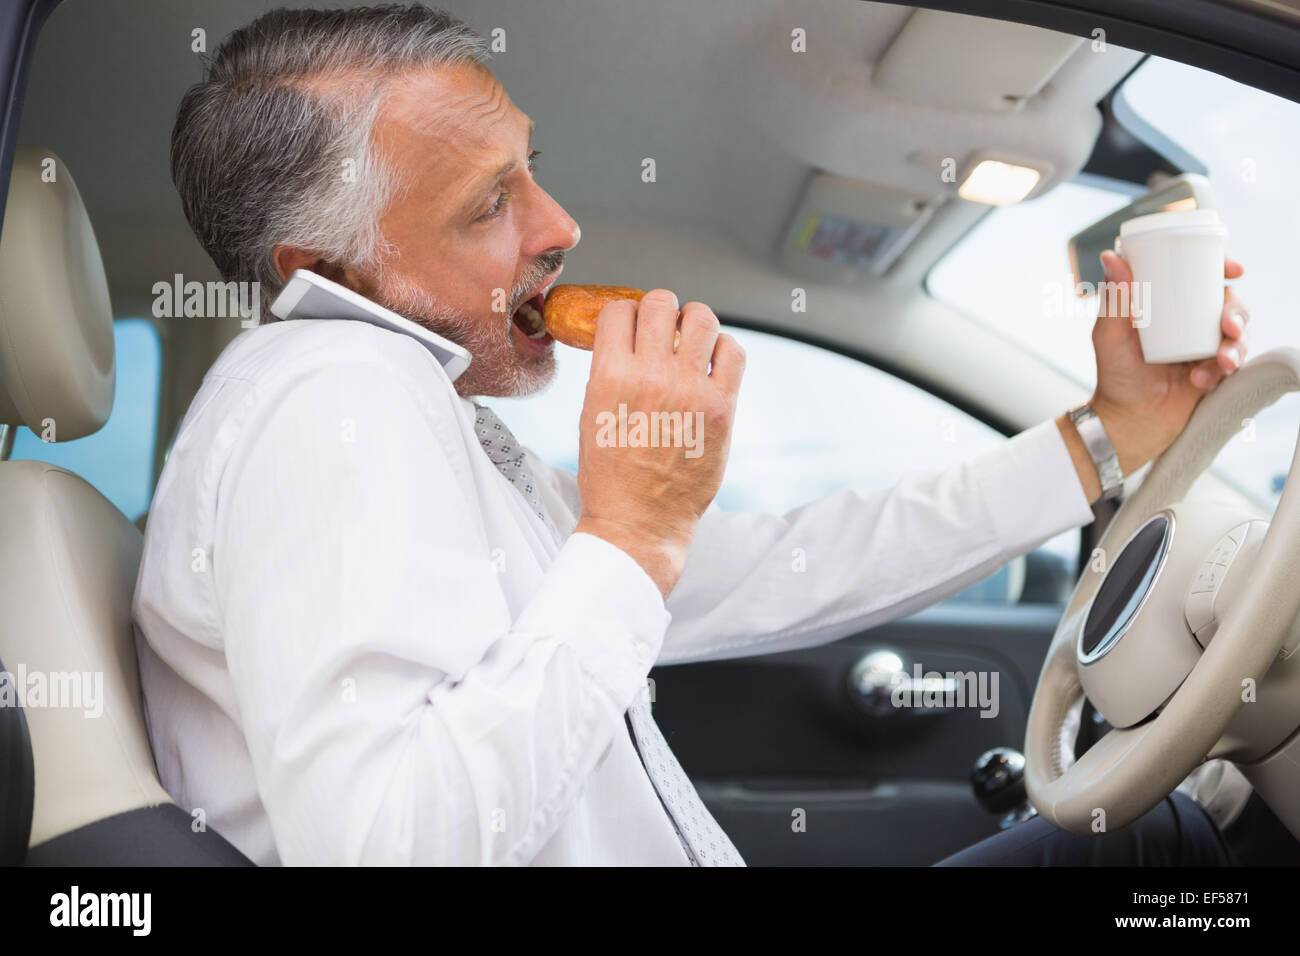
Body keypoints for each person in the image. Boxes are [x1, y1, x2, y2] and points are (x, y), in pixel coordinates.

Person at [133, 4, 1251, 866]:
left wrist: (1105, 433)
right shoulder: (329, 391)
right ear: (327, 273)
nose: (559, 225)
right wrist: (633, 527)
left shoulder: (426, 419)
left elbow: (781, 567)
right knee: (1161, 846)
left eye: (528, 170)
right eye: (488, 203)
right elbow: (389, 841)